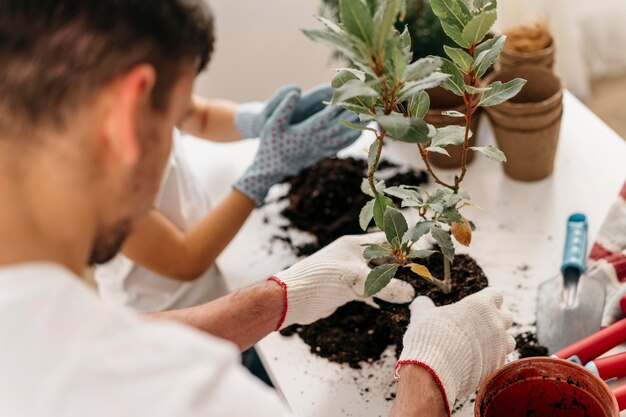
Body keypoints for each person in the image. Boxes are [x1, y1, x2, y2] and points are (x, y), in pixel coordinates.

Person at [0, 1, 515, 417]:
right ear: (125, 117)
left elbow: (109, 340)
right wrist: (428, 385)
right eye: (175, 118)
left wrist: (272, 300)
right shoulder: (191, 396)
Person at [94, 83, 355, 313]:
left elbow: (200, 116)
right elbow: (185, 260)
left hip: (210, 268)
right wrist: (259, 177)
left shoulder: (154, 93)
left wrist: (255, 121)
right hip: (163, 313)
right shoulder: (101, 179)